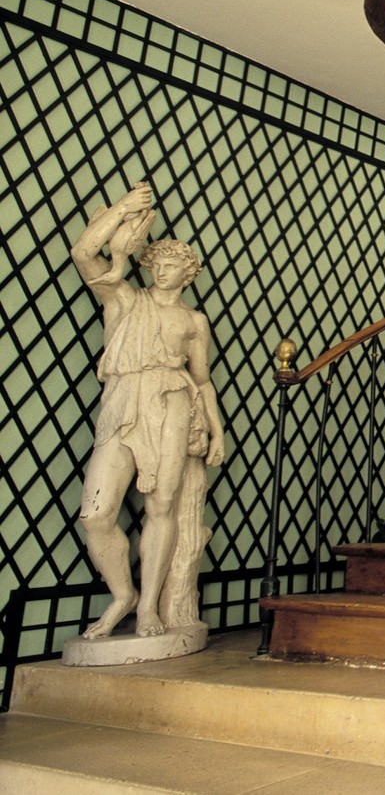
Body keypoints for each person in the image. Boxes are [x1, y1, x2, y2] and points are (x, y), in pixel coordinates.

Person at [71, 182, 224, 639]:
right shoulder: (123, 299)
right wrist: (123, 209)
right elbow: (83, 254)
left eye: (174, 265)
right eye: (158, 263)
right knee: (95, 515)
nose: (163, 271)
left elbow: (202, 380)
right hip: (123, 400)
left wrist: (216, 432)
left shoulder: (193, 322)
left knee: (163, 508)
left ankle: (150, 607)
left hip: (173, 404)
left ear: (188, 273)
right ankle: (124, 594)